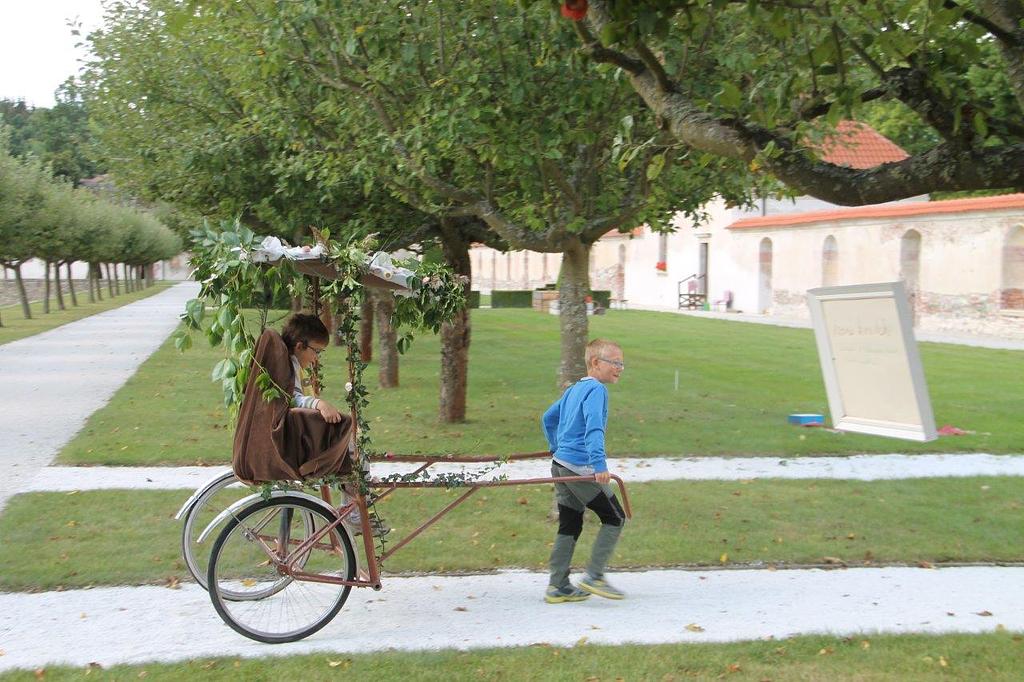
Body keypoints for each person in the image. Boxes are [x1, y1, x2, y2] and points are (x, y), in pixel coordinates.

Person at [281, 313, 388, 537]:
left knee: (353, 453)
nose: (315, 358)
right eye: (316, 351)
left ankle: (356, 504)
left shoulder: (292, 364)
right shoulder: (290, 366)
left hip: (303, 434)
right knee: (355, 452)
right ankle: (356, 513)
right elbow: (294, 398)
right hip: (304, 442)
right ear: (300, 346)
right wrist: (319, 404)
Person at [541, 338, 627, 603]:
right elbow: (594, 428)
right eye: (615, 362)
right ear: (596, 362)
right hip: (579, 468)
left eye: (622, 364)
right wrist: (599, 465)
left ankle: (558, 586)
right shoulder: (597, 390)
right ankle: (594, 576)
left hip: (560, 466)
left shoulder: (574, 389)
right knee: (615, 516)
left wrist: (555, 446)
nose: (620, 368)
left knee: (570, 522)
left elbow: (548, 418)